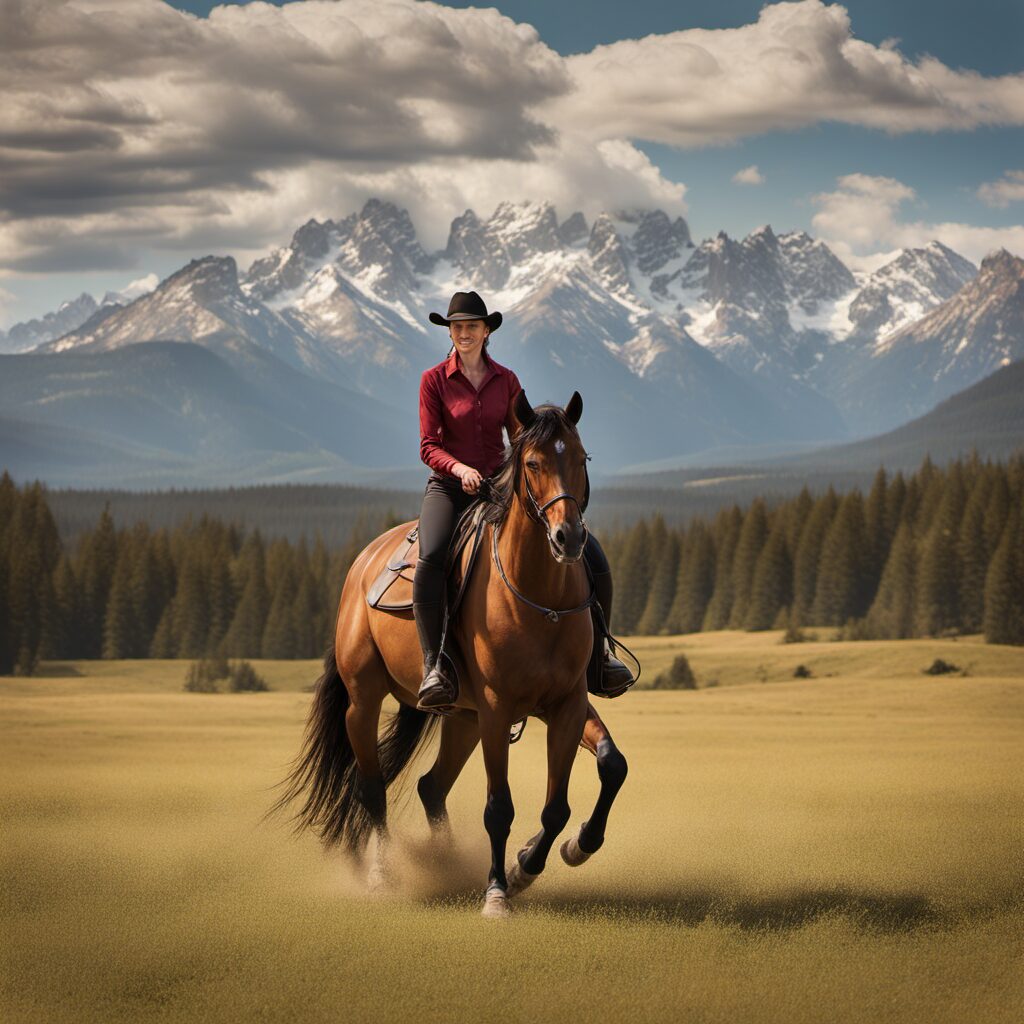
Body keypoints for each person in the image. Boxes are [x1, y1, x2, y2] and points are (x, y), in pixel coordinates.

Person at [414, 290, 634, 713]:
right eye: (456, 327)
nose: (463, 333)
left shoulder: (508, 381)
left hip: (500, 487)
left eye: (471, 326)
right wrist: (460, 470)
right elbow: (428, 445)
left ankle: (600, 657)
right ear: (450, 332)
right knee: (433, 556)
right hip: (449, 487)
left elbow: (522, 441)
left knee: (593, 555)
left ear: (486, 331)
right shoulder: (434, 380)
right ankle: (433, 667)